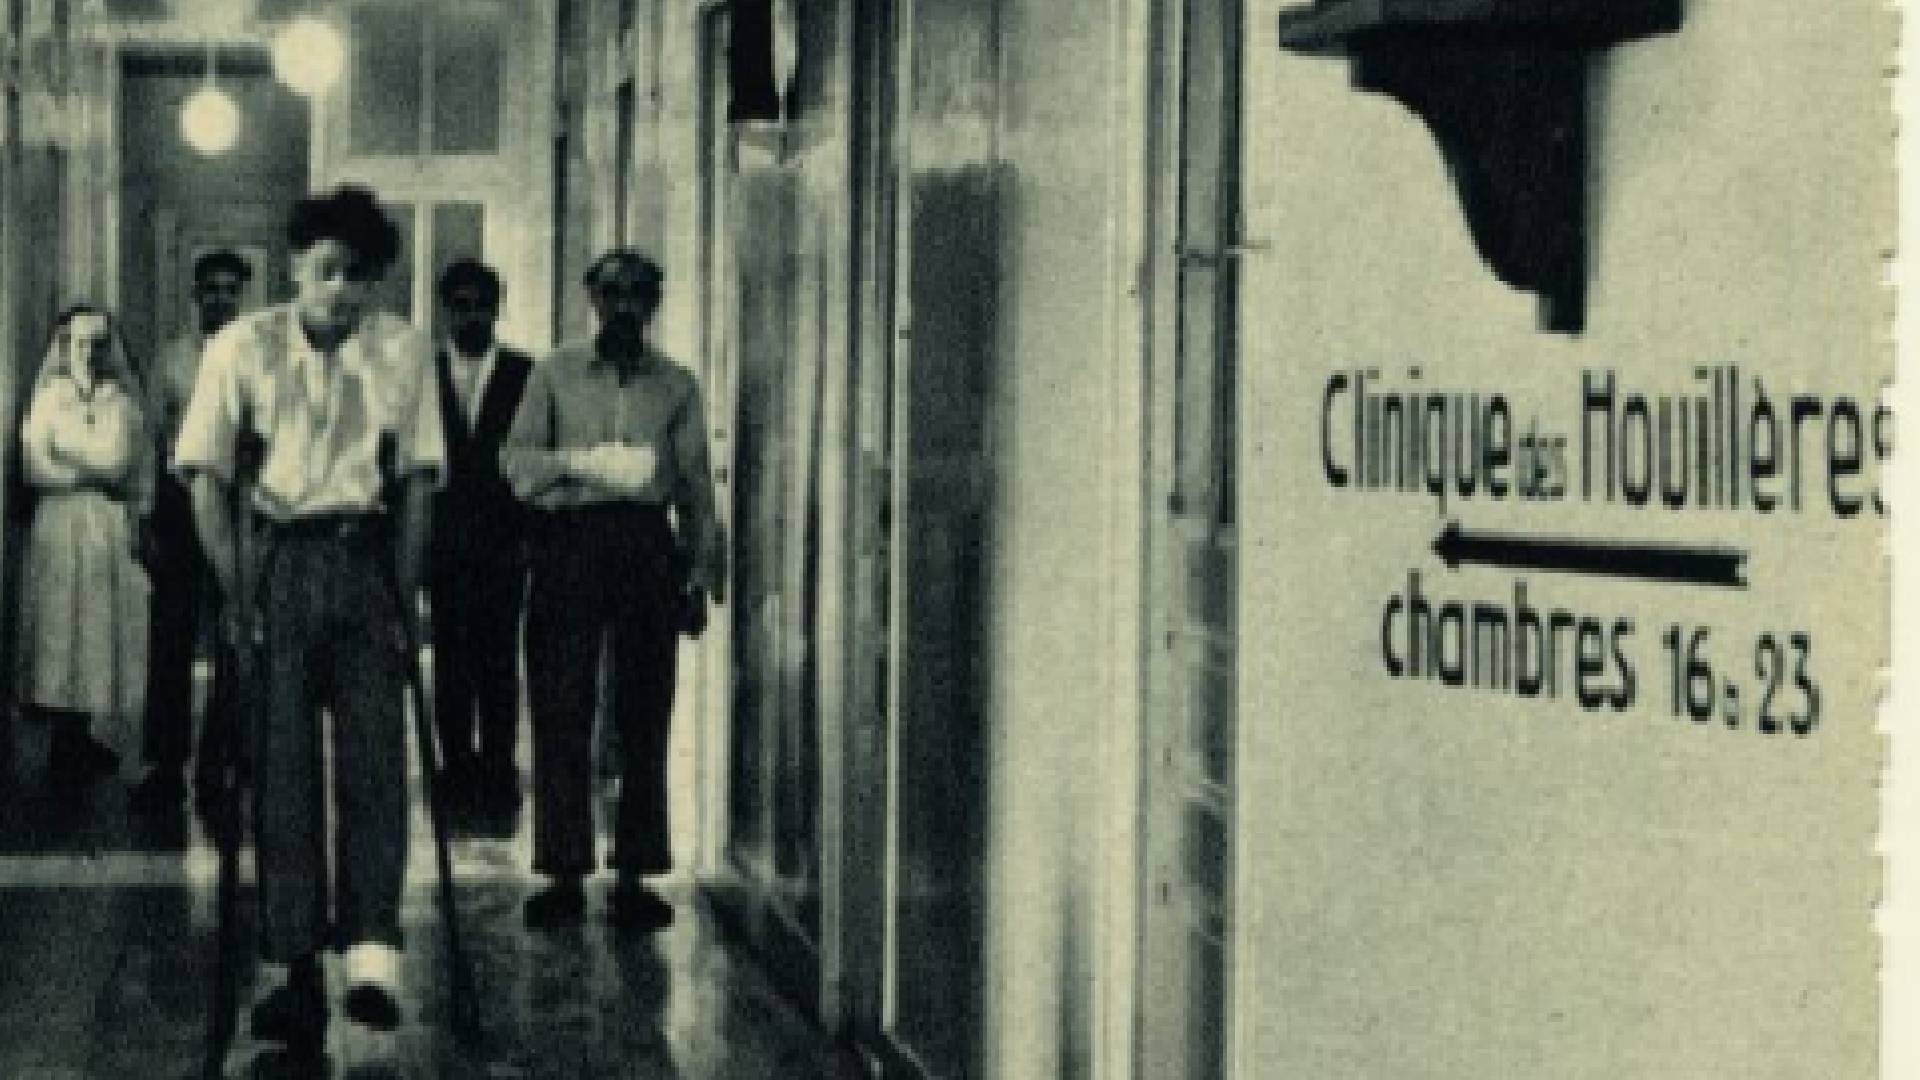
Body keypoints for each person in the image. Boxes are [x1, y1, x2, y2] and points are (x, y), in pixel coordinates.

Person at [173, 185, 442, 1046]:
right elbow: (205, 479)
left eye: (360, 275)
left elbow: (419, 483)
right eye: (327, 270)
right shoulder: (242, 347)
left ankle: (370, 954)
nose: (343, 290)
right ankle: (294, 967)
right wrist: (236, 595)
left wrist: (406, 601)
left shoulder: (402, 350)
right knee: (281, 768)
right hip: (278, 559)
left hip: (365, 557)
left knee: (375, 759)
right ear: (294, 267)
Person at [501, 248, 721, 931]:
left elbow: (695, 485)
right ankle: (563, 871)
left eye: (639, 294)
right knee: (560, 702)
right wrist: (584, 465)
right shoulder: (554, 373)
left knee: (644, 708)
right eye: (612, 293)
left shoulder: (677, 385)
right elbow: (517, 464)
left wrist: (698, 573)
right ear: (591, 297)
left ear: (655, 302)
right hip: (568, 545)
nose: (624, 306)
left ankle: (635, 873)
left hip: (645, 547)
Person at [131, 249, 250, 809]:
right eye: (211, 289)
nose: (221, 299)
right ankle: (164, 766)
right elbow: (149, 445)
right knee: (172, 640)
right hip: (179, 509)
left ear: (241, 296)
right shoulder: (172, 360)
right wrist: (145, 517)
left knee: (234, 635)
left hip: (236, 507)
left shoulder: (254, 358)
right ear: (196, 295)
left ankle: (222, 760)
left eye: (230, 289)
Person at [15, 305, 152, 788]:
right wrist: (87, 470)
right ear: (65, 346)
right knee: (60, 625)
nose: (90, 353)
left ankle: (83, 734)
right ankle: (62, 737)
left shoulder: (120, 402)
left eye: (99, 343)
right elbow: (34, 468)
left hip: (103, 528)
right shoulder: (49, 398)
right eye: (80, 343)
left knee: (94, 628)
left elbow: (120, 461)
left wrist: (68, 455)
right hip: (57, 525)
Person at [429, 258, 533, 817]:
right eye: (460, 307)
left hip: (502, 541)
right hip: (444, 542)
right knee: (450, 657)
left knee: (498, 658)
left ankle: (497, 768)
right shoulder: (425, 375)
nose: (471, 318)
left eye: (481, 307)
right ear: (446, 311)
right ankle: (455, 767)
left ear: (497, 310)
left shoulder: (524, 374)